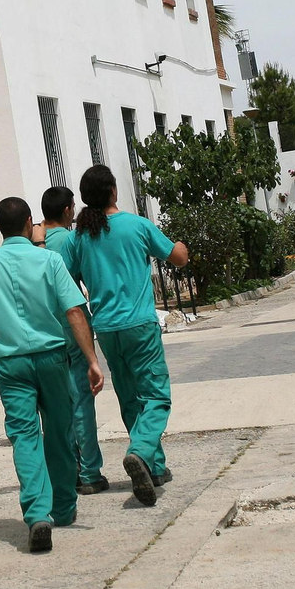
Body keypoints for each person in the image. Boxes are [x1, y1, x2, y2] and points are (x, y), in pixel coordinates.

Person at [0, 196, 104, 553]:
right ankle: (64, 508)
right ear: (29, 222)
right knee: (59, 430)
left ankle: (37, 513)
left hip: (11, 364)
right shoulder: (50, 260)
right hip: (53, 358)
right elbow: (73, 311)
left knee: (24, 437)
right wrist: (92, 359)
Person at [66, 164, 188, 507]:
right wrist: (180, 243)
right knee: (157, 396)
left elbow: (69, 280)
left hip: (105, 328)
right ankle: (139, 451)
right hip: (139, 324)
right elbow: (178, 257)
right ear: (114, 191)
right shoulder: (137, 225)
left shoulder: (81, 237)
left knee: (131, 399)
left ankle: (154, 466)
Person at [40, 185, 108, 495]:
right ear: (68, 210)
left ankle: (68, 469)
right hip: (73, 327)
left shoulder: (34, 244)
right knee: (81, 401)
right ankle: (90, 472)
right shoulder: (72, 239)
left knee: (57, 406)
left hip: (45, 330)